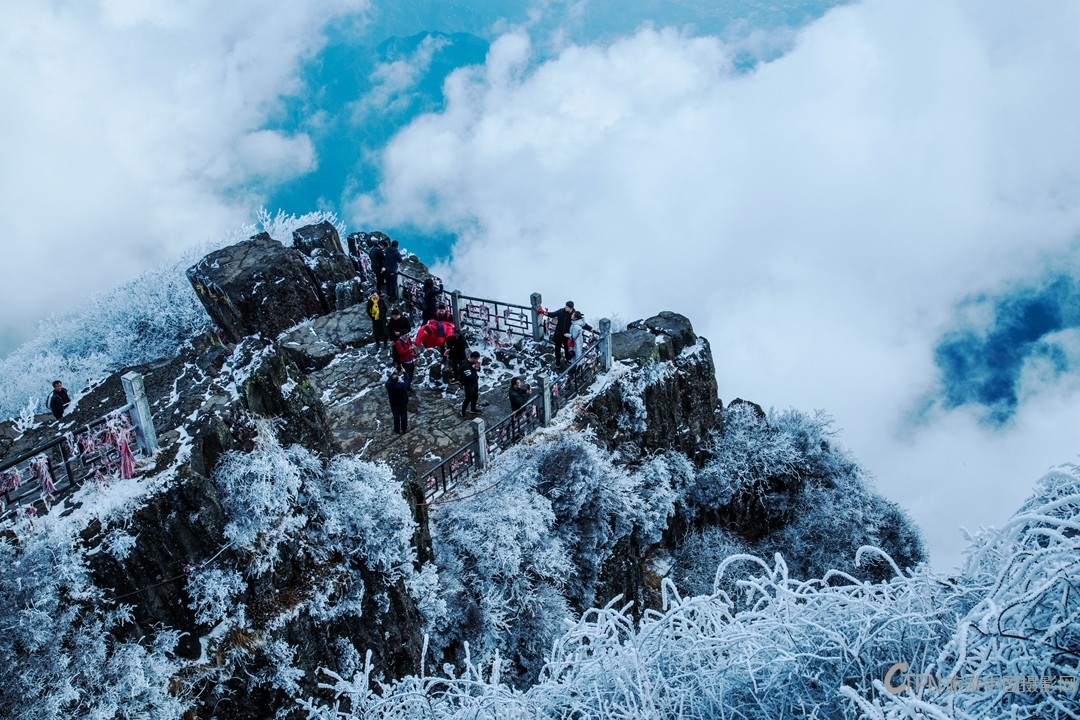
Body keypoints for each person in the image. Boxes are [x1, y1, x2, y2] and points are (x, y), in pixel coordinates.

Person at [539, 301, 576, 367]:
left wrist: (590, 328)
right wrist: (544, 312)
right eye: (565, 306)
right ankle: (558, 362)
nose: (565, 308)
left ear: (571, 308)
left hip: (567, 335)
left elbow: (580, 322)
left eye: (567, 307)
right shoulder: (561, 311)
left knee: (567, 348)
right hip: (558, 333)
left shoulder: (574, 314)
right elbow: (553, 314)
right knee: (557, 348)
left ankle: (568, 360)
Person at [385, 369, 411, 433]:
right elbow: (407, 380)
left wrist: (394, 372)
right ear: (397, 380)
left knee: (396, 416)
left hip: (394, 403)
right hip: (403, 402)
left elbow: (389, 380)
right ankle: (404, 428)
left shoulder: (388, 385)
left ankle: (397, 429)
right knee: (403, 415)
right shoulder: (401, 386)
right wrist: (404, 372)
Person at [459, 351, 482, 417]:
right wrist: (474, 369)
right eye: (476, 359)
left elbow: (477, 370)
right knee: (468, 398)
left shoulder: (472, 362)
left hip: (474, 382)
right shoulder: (465, 365)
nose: (477, 361)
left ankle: (473, 409)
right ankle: (463, 411)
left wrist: (477, 367)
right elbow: (469, 376)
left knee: (475, 396)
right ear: (472, 357)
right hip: (468, 384)